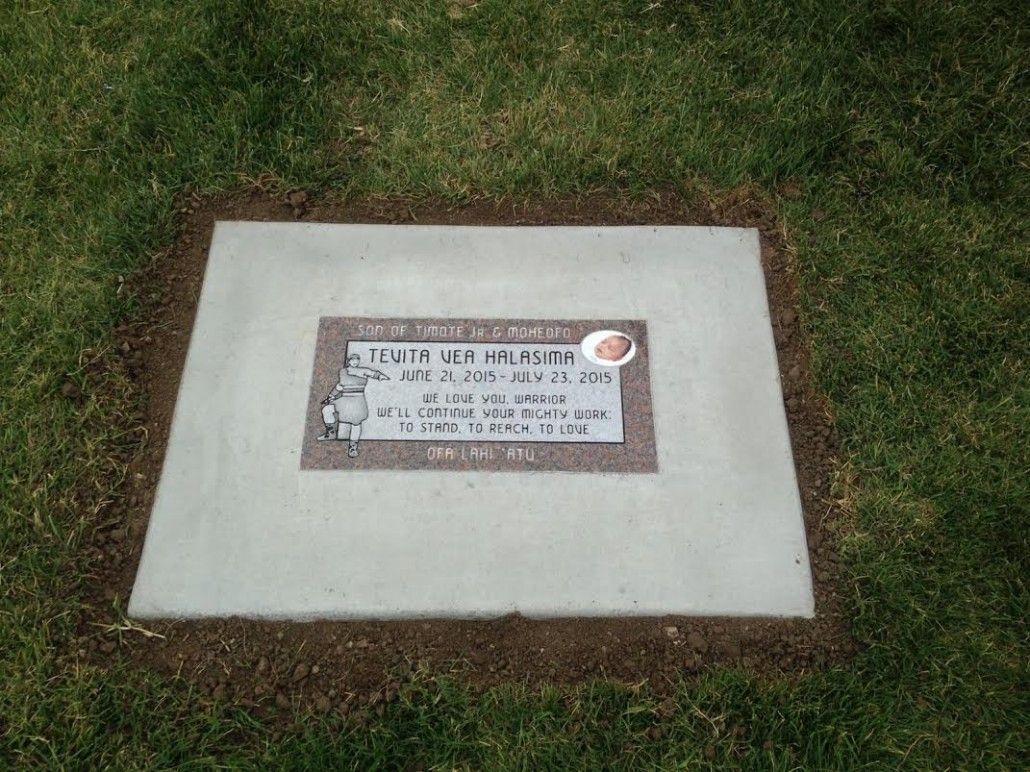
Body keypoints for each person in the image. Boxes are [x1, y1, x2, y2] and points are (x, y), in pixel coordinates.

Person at [318, 353, 390, 457]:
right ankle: (331, 433)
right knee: (327, 410)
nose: (355, 362)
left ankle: (353, 447)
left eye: (357, 360)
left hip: (357, 400)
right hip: (344, 399)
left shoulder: (363, 370)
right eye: (353, 360)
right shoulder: (343, 371)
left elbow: (373, 374)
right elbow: (339, 386)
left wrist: (381, 377)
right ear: (349, 361)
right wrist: (331, 396)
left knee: (356, 421)